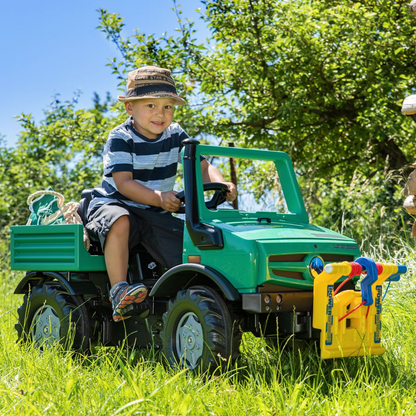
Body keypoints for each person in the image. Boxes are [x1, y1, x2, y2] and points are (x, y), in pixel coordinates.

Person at [86, 66, 237, 322]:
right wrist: (158, 197)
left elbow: (202, 166)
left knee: (188, 241)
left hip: (155, 211)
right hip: (115, 203)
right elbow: (123, 183)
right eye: (151, 105)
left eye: (168, 106)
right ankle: (119, 290)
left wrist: (223, 185)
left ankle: (186, 298)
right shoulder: (121, 137)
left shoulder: (176, 134)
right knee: (120, 220)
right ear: (130, 108)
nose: (161, 113)